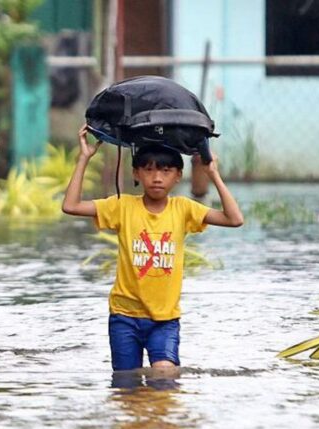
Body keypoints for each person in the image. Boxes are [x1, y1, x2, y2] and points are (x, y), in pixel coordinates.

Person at [62, 124, 243, 372]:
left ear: (178, 175)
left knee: (165, 377)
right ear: (136, 174)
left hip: (165, 320)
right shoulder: (122, 206)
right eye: (148, 170)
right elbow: (70, 205)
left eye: (166, 171)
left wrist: (212, 173)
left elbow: (234, 219)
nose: (157, 178)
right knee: (126, 385)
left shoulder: (184, 208)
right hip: (124, 317)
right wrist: (84, 158)